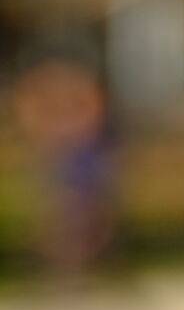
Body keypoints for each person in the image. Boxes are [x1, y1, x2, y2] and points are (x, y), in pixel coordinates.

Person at [10, 58, 114, 280]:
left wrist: (70, 134)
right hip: (57, 157)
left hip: (78, 157)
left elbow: (93, 114)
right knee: (57, 207)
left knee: (82, 206)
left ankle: (78, 259)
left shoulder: (81, 100)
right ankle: (64, 261)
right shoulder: (43, 98)